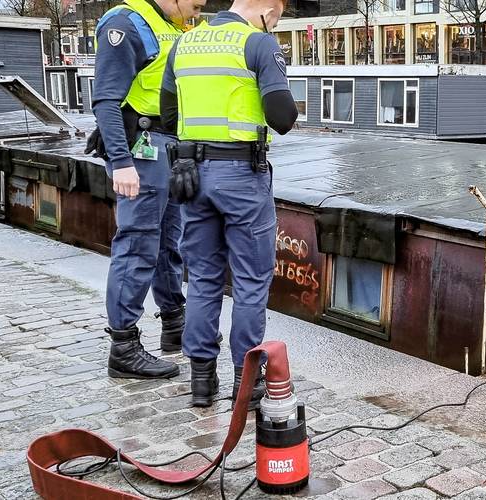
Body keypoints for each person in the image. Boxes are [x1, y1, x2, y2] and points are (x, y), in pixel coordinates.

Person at [160, 0, 298, 407]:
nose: (274, 24)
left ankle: (202, 383)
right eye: (277, 18)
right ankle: (247, 384)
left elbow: (169, 115)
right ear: (270, 9)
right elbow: (282, 117)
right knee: (250, 282)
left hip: (192, 176)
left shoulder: (183, 44)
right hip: (242, 177)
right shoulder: (257, 44)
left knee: (202, 278)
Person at [90, 0, 205, 379]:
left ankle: (174, 322)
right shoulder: (127, 22)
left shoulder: (172, 24)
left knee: (169, 242)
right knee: (138, 243)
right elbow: (106, 98)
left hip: (168, 148)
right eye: (195, 1)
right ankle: (123, 345)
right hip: (140, 148)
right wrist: (121, 162)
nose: (200, 6)